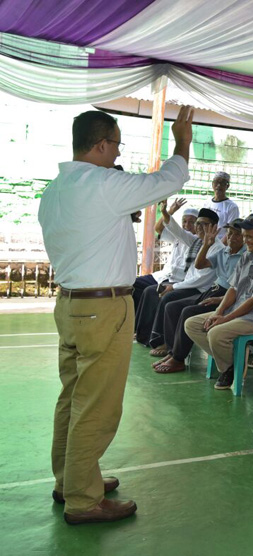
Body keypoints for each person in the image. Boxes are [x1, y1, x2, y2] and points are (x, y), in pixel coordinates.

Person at [38, 106, 194, 524]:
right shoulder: (103, 183)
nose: (117, 153)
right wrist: (181, 140)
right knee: (97, 406)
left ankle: (70, 479)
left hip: (70, 304)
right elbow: (169, 180)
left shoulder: (55, 189)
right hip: (103, 308)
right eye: (117, 145)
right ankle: (84, 501)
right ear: (103, 144)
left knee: (72, 398)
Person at [184, 213, 253, 391]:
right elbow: (233, 289)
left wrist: (225, 319)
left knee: (216, 333)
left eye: (250, 236)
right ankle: (233, 362)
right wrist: (219, 311)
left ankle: (231, 365)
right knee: (192, 324)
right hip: (237, 311)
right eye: (245, 236)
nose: (246, 240)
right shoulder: (248, 256)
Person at [152, 219, 246, 373]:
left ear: (244, 237)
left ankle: (178, 359)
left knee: (188, 312)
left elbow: (241, 290)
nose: (232, 238)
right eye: (229, 234)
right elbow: (199, 264)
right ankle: (172, 352)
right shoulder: (224, 251)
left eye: (237, 235)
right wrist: (207, 245)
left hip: (227, 297)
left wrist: (220, 300)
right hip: (213, 290)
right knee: (172, 306)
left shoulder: (245, 257)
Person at [143, 206, 222, 352]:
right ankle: (152, 337)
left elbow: (201, 280)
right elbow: (177, 231)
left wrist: (174, 286)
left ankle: (168, 343)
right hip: (188, 285)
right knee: (153, 292)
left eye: (203, 224)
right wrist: (166, 213)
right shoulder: (196, 241)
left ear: (214, 227)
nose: (197, 227)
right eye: (197, 223)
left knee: (169, 299)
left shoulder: (217, 248)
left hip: (201, 289)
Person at [131, 203, 198, 310]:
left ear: (198, 224)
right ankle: (136, 319)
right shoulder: (177, 237)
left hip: (177, 280)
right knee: (135, 284)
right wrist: (170, 211)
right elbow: (158, 228)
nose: (187, 225)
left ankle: (146, 323)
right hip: (162, 276)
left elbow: (179, 232)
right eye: (184, 221)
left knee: (150, 292)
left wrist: (165, 212)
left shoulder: (195, 240)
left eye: (191, 222)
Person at [203, 171, 239, 240]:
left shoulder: (232, 207)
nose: (219, 185)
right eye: (216, 182)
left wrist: (220, 247)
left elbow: (230, 231)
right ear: (212, 184)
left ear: (227, 186)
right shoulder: (207, 203)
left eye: (222, 183)